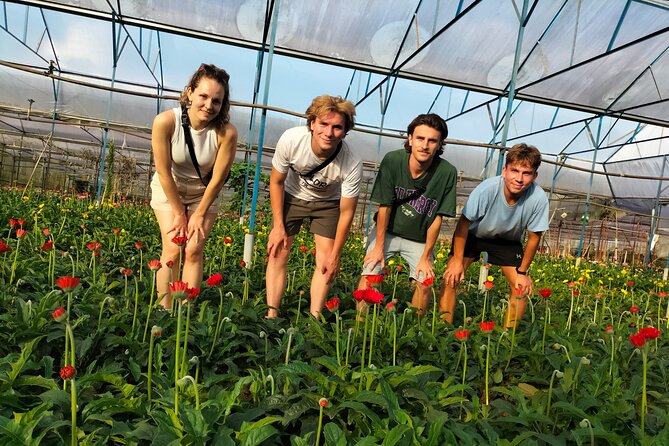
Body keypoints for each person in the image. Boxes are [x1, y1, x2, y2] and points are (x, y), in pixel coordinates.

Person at [266, 95, 362, 319]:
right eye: (323, 124)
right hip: (292, 195)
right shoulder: (292, 140)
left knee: (325, 262)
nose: (329, 133)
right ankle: (271, 315)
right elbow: (276, 181)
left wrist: (336, 254)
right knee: (278, 252)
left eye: (337, 127)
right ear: (311, 123)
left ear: (346, 131)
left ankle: (315, 319)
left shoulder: (352, 160)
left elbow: (347, 212)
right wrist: (278, 225)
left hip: (327, 204)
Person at [150, 63, 237, 309]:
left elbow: (219, 178)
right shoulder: (166, 122)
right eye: (204, 96)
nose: (209, 106)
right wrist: (179, 212)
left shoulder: (226, 132)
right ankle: (164, 311)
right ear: (189, 92)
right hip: (170, 189)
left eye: (217, 101)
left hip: (204, 192)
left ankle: (187, 311)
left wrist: (198, 214)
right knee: (173, 249)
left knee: (194, 249)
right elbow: (164, 172)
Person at [439, 143, 549, 328]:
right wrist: (457, 261)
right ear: (504, 171)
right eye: (514, 171)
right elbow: (463, 226)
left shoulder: (538, 198)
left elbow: (534, 238)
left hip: (508, 241)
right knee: (452, 276)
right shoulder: (487, 189)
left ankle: (507, 338)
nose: (519, 178)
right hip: (474, 236)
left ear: (535, 176)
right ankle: (443, 329)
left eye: (526, 173)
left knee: (521, 288)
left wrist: (522, 273)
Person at [357, 113, 457, 312]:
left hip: (420, 239)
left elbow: (438, 218)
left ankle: (414, 331)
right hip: (387, 232)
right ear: (410, 138)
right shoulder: (393, 160)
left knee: (425, 282)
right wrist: (378, 248)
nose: (425, 145)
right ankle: (361, 325)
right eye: (420, 138)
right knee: (369, 273)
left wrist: (427, 256)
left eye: (432, 141)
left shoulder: (447, 172)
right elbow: (384, 206)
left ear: (439, 145)